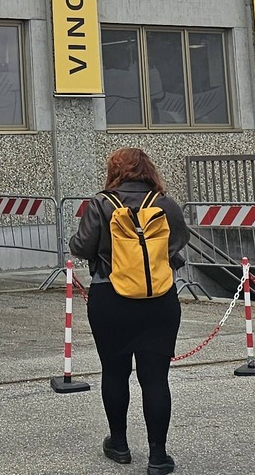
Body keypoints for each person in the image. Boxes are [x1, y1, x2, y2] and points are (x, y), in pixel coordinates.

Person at [69, 147, 192, 475]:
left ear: (115, 171)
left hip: (110, 297)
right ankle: (158, 457)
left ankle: (119, 444)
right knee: (155, 378)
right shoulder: (164, 203)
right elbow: (180, 240)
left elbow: (81, 246)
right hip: (159, 299)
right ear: (149, 170)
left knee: (114, 372)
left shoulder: (101, 203)